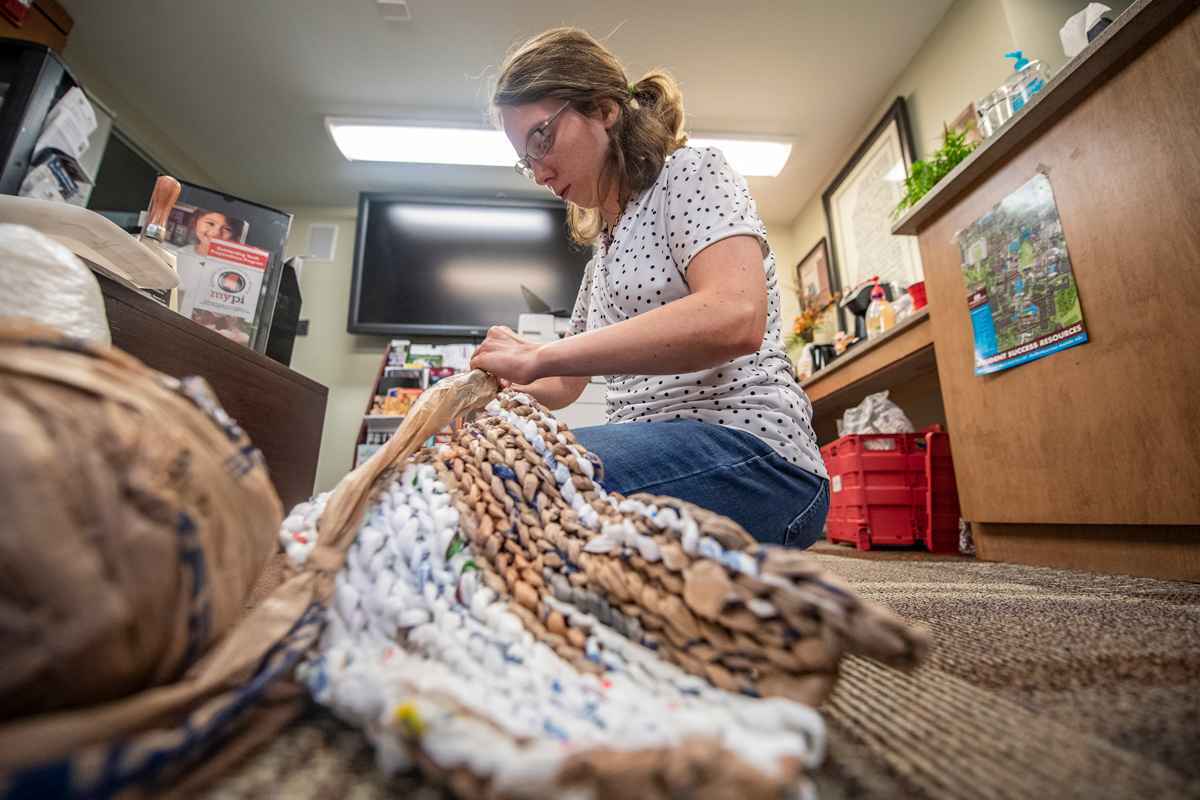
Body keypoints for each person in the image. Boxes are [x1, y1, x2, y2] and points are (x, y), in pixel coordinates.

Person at [470, 28, 829, 548]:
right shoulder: (603, 257)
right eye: (526, 160)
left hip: (759, 458)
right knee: (488, 463)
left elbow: (736, 315)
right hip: (658, 446)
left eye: (540, 139)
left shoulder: (692, 174)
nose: (539, 171)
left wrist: (541, 356)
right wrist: (499, 382)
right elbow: (565, 384)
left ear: (603, 108)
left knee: (508, 483)